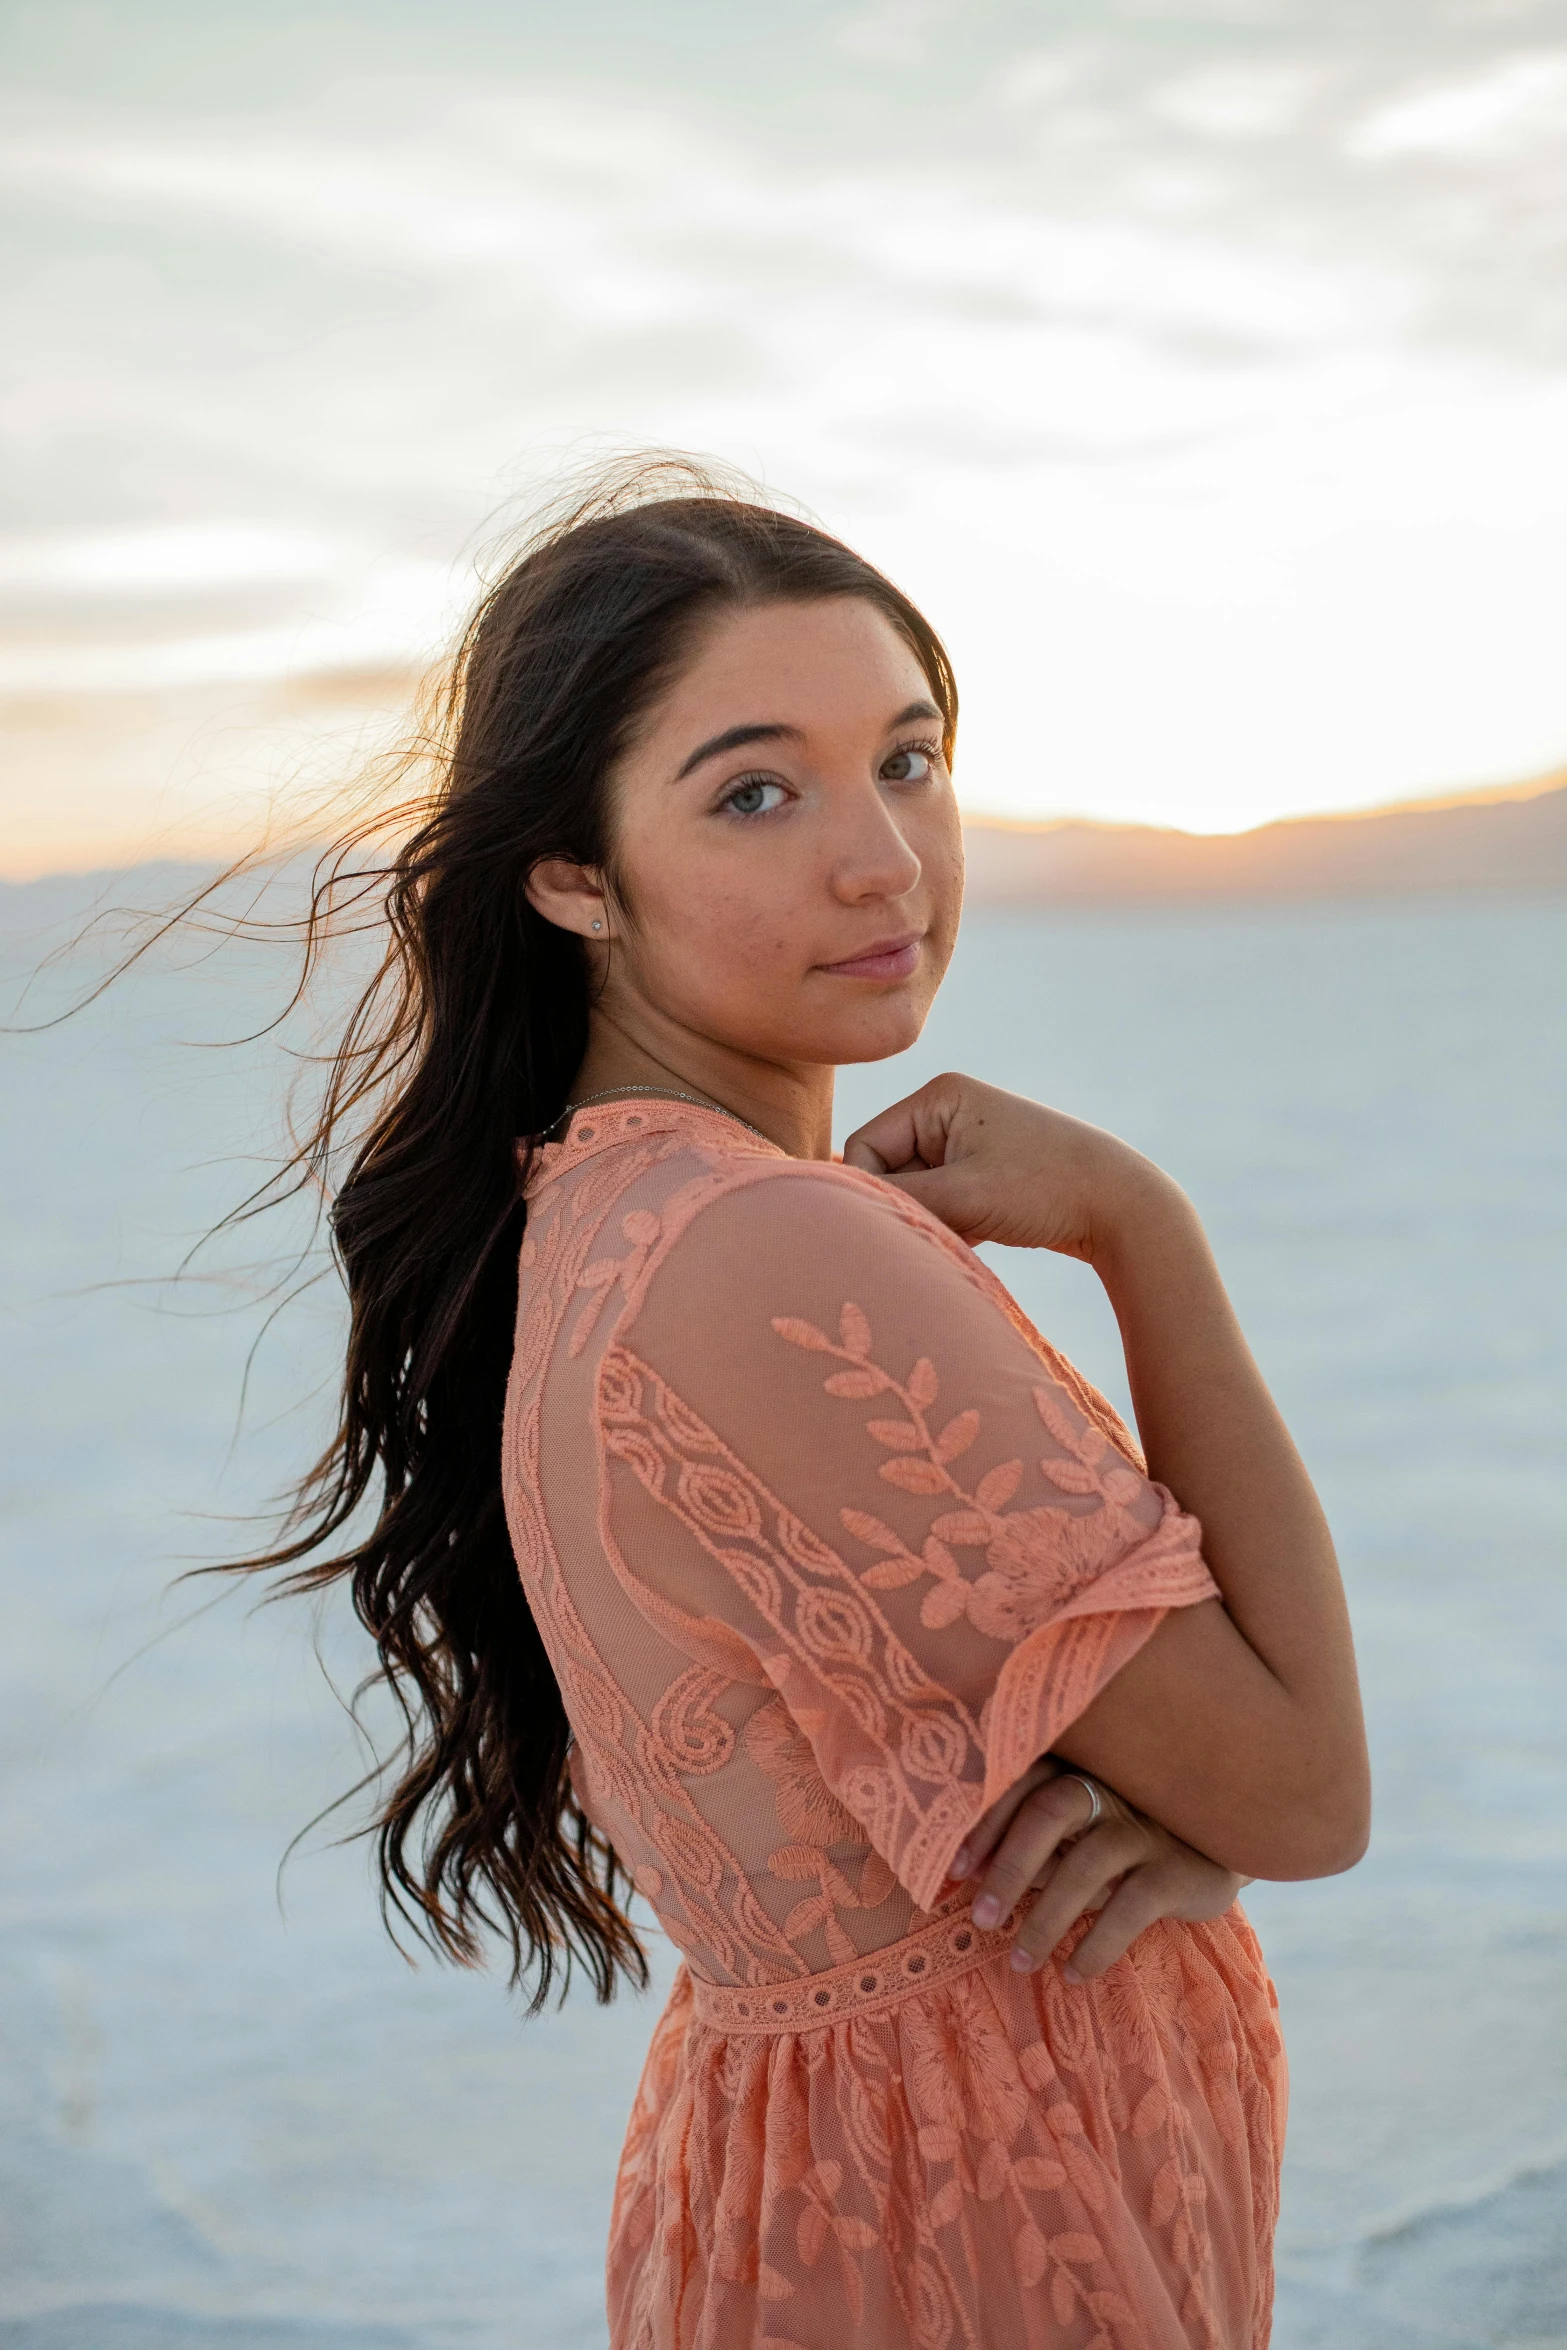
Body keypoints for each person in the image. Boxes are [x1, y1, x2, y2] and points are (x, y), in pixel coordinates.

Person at [255, 463, 1368, 2349]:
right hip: (976, 2229)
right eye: (756, 791)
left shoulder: (599, 1213)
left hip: (823, 2184)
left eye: (908, 760)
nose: (882, 860)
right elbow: (1305, 1783)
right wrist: (1140, 1230)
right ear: (568, 870)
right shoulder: (769, 1246)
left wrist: (1145, 1795)